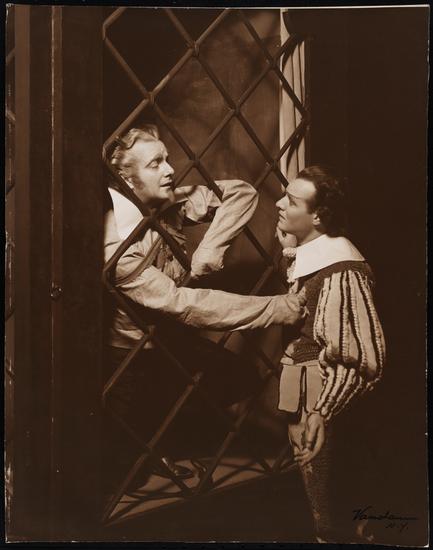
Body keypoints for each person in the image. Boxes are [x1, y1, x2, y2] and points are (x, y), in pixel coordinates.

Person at [103, 124, 306, 486]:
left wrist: (210, 248)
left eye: (166, 159)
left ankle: (163, 441)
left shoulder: (165, 205)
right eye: (155, 164)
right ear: (126, 179)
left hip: (168, 342)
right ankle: (149, 448)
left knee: (240, 378)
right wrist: (276, 308)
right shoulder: (117, 245)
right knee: (125, 475)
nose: (170, 170)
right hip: (128, 360)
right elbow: (187, 304)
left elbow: (241, 192)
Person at [275, 165, 385, 543]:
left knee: (330, 506)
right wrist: (290, 246)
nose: (279, 204)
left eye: (291, 201)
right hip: (304, 391)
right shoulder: (312, 254)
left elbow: (360, 355)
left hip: (322, 394)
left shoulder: (342, 268)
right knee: (317, 497)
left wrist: (323, 409)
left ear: (318, 217)